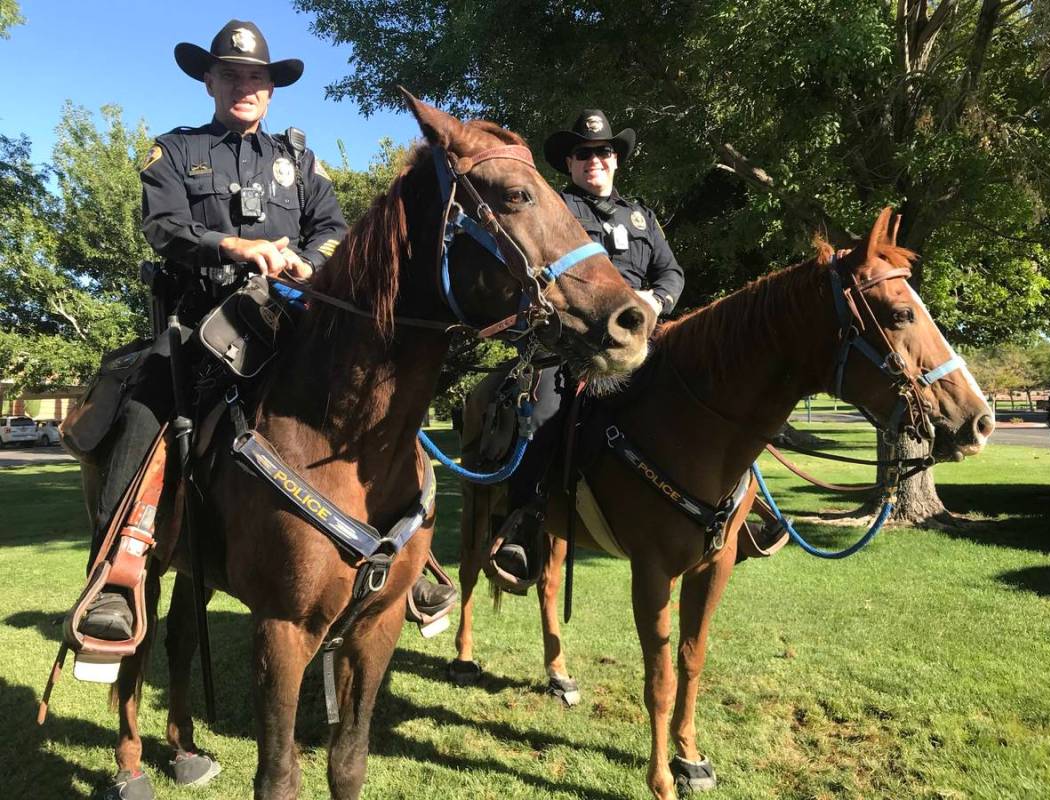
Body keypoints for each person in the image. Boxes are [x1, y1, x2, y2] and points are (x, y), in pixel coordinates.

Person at [79, 19, 454, 642]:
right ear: (209, 80)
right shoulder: (174, 152)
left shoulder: (299, 159)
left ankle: (409, 556)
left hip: (290, 319)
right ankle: (118, 569)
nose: (244, 86)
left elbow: (333, 227)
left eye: (256, 77)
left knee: (377, 389)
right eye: (230, 74)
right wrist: (234, 245)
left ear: (272, 89)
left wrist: (311, 260)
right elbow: (164, 226)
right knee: (147, 400)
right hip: (201, 322)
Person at [489, 109, 685, 585]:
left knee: (706, 388)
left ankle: (741, 501)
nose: (594, 159)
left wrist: (654, 299)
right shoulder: (557, 210)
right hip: (574, 349)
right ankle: (525, 522)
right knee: (542, 414)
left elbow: (671, 273)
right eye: (583, 153)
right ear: (571, 164)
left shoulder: (642, 217)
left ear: (616, 159)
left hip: (645, 342)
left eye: (603, 151)